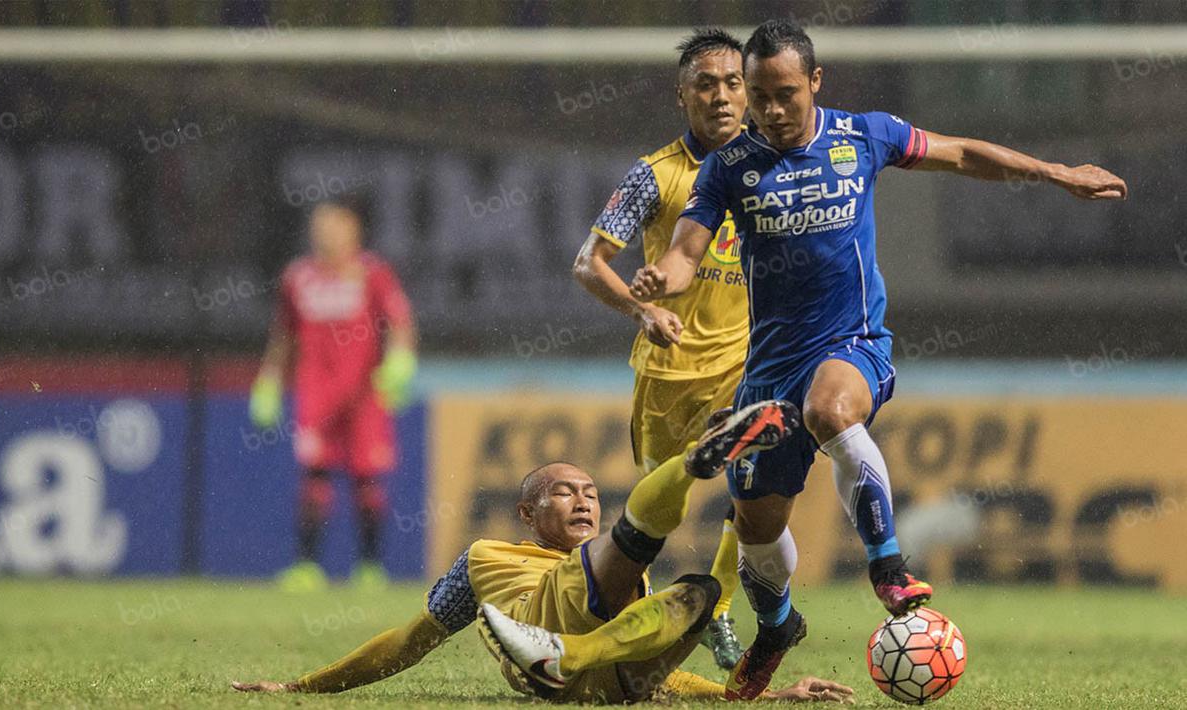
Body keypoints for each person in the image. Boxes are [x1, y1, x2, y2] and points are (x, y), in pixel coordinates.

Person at [630, 19, 1127, 700]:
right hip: (767, 370)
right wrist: (661, 279)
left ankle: (888, 568)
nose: (770, 110)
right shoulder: (729, 166)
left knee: (829, 408)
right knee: (756, 533)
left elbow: (962, 154)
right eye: (758, 96)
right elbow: (686, 252)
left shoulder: (863, 135)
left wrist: (1055, 173)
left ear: (815, 82)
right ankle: (777, 627)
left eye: (784, 94)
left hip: (852, 342)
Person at [232, 401, 853, 704]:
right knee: (630, 548)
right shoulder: (486, 558)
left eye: (591, 493)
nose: (583, 501)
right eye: (564, 492)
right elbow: (410, 640)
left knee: (699, 592)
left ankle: (709, 473)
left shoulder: (619, 580)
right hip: (546, 623)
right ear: (527, 514)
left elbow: (661, 675)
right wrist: (301, 685)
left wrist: (766, 696)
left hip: (607, 686)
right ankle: (697, 462)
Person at [572, 27, 750, 669]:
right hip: (671, 370)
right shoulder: (655, 175)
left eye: (733, 83)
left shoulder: (775, 166)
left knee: (756, 484)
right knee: (655, 515)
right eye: (706, 84)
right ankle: (631, 621)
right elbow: (588, 263)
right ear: (683, 96)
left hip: (747, 360)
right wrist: (641, 308)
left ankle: (719, 606)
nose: (721, 96)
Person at [249, 198, 418, 592]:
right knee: (314, 475)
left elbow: (400, 321)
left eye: (335, 226)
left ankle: (370, 568)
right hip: (316, 395)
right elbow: (283, 335)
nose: (326, 234)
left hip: (364, 395)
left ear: (354, 230)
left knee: (367, 478)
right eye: (320, 226)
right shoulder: (298, 277)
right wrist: (268, 380)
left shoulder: (372, 273)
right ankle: (307, 567)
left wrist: (401, 359)